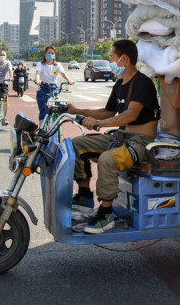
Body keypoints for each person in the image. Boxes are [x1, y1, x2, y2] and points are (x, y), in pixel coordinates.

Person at [67, 40, 160, 234]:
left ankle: (106, 214)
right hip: (121, 138)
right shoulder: (120, 84)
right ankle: (84, 196)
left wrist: (99, 124)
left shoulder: (143, 83)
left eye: (112, 57)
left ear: (124, 59)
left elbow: (130, 115)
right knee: (76, 144)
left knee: (108, 159)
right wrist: (78, 111)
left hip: (141, 143)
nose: (110, 61)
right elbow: (107, 111)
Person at [33, 46, 74, 123]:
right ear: (45, 54)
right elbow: (38, 73)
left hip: (54, 88)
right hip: (43, 88)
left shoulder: (57, 65)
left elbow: (63, 73)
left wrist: (68, 80)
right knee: (43, 111)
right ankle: (41, 131)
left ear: (55, 55)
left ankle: (56, 127)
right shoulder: (40, 64)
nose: (50, 55)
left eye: (52, 53)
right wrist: (37, 80)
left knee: (58, 108)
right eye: (49, 53)